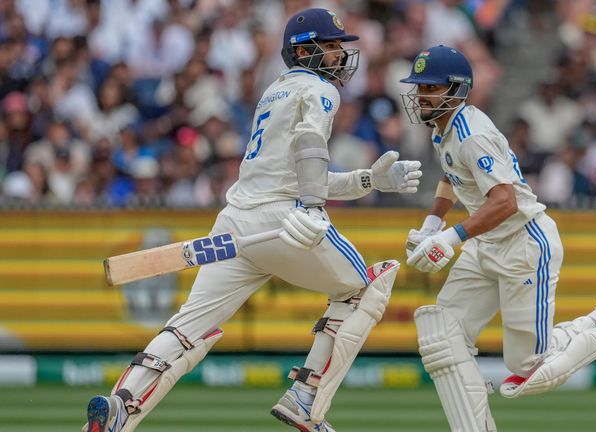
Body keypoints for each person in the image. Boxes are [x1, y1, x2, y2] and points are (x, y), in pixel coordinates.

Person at [84, 8, 422, 432]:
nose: (340, 55)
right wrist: (314, 206)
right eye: (333, 45)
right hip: (285, 220)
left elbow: (292, 167)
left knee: (189, 328)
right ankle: (305, 398)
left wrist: (369, 179)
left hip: (235, 221)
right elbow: (309, 145)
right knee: (367, 287)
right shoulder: (320, 89)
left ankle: (120, 409)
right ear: (306, 50)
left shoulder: (275, 90)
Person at [400, 45, 596, 431]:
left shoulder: (472, 134)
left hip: (523, 244)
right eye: (419, 87)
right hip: (487, 244)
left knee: (527, 371)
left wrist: (450, 238)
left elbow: (506, 201)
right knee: (442, 334)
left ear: (456, 89)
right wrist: (433, 222)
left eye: (430, 87)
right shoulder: (442, 129)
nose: (420, 96)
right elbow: (452, 176)